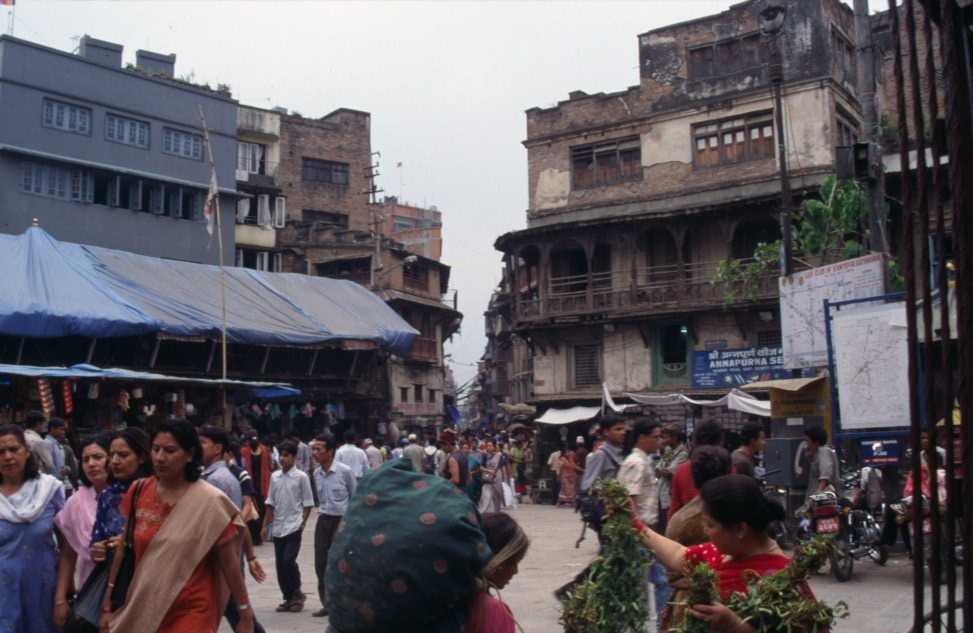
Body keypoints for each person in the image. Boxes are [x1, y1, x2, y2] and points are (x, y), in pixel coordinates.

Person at [635, 475, 800, 633]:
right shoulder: (724, 554)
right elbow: (678, 555)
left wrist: (736, 626)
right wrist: (635, 524)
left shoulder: (782, 579)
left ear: (740, 529)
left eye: (710, 525)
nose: (706, 532)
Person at [198, 426, 268, 633]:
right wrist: (250, 556)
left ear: (218, 448)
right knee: (235, 610)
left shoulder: (217, 480)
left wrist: (248, 556)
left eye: (203, 443)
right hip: (225, 559)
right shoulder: (214, 476)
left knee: (237, 611)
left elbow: (233, 523)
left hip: (221, 559)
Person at [0, 424, 65, 633]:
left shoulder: (49, 489)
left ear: (27, 452)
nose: (8, 456)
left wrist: (63, 593)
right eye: (1, 452)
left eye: (14, 449)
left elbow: (68, 545)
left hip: (43, 587)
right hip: (4, 590)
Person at [662, 446, 733, 631]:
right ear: (729, 473)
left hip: (689, 607)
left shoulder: (680, 520)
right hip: (727, 604)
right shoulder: (739, 514)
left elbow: (672, 574)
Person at [53, 433, 111, 632]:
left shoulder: (129, 495)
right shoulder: (76, 502)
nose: (91, 464)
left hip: (124, 593)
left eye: (98, 457)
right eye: (85, 459)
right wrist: (60, 599)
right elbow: (68, 554)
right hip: (88, 592)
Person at [618, 419, 669, 627]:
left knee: (652, 580)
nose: (660, 441)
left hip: (645, 531)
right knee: (655, 581)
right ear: (642, 438)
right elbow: (628, 496)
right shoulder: (636, 462)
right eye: (655, 437)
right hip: (640, 532)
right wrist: (638, 526)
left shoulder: (644, 460)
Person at [262, 440, 315, 613]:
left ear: (293, 457)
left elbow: (308, 503)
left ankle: (297, 593)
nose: (282, 459)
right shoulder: (274, 477)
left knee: (288, 561)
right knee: (279, 565)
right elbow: (270, 503)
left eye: (286, 456)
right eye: (281, 456)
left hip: (294, 526)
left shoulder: (302, 477)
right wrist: (265, 526)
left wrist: (302, 523)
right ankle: (288, 597)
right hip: (278, 527)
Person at [309, 433, 357, 618]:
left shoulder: (344, 471)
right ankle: (327, 603)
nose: (314, 453)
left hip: (341, 520)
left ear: (330, 451)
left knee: (340, 562)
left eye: (318, 449)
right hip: (323, 519)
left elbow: (355, 497)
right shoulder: (316, 474)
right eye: (313, 449)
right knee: (320, 563)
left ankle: (344, 602)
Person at [465, 513, 529, 633]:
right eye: (512, 562)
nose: (515, 571)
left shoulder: (445, 597)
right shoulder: (493, 612)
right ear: (497, 561)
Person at [668, 421, 723, 520]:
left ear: (695, 441)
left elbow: (674, 510)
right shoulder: (730, 468)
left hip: (687, 529)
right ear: (720, 441)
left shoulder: (682, 470)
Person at [580, 419, 626, 495]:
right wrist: (611, 489)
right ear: (606, 432)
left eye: (624, 429)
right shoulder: (600, 455)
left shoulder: (622, 454)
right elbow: (587, 485)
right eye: (618, 429)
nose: (623, 432)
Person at [657, 425, 689, 534]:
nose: (663, 440)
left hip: (671, 494)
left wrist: (663, 471)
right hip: (661, 492)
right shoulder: (668, 450)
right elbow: (658, 468)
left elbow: (671, 473)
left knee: (669, 524)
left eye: (666, 437)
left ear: (674, 438)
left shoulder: (683, 453)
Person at [241, 435, 272, 545]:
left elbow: (269, 466)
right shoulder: (244, 452)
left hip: (262, 485)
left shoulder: (264, 451)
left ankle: (259, 536)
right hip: (250, 483)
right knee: (251, 509)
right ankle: (252, 536)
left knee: (262, 509)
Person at [802, 426, 840, 510]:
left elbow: (825, 475)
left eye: (808, 441)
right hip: (818, 498)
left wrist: (817, 494)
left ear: (816, 442)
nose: (806, 444)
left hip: (822, 499)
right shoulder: (817, 453)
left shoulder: (823, 452)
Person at [23, 409, 55, 475]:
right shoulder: (38, 441)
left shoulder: (21, 437)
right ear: (38, 424)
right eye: (43, 424)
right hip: (37, 475)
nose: (44, 426)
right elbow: (49, 463)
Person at [44, 417, 73, 487]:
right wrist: (59, 473)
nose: (63, 432)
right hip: (52, 483)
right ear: (52, 429)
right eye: (61, 429)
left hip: (58, 482)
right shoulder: (47, 443)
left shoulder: (57, 443)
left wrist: (66, 469)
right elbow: (49, 466)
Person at [478, 441, 505, 514]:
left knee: (496, 499)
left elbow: (502, 468)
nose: (488, 447)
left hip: (496, 481)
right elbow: (480, 467)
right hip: (487, 481)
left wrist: (504, 480)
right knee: (486, 499)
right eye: (487, 446)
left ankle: (495, 514)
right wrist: (488, 470)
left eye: (490, 446)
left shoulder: (499, 456)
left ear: (494, 447)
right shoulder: (484, 455)